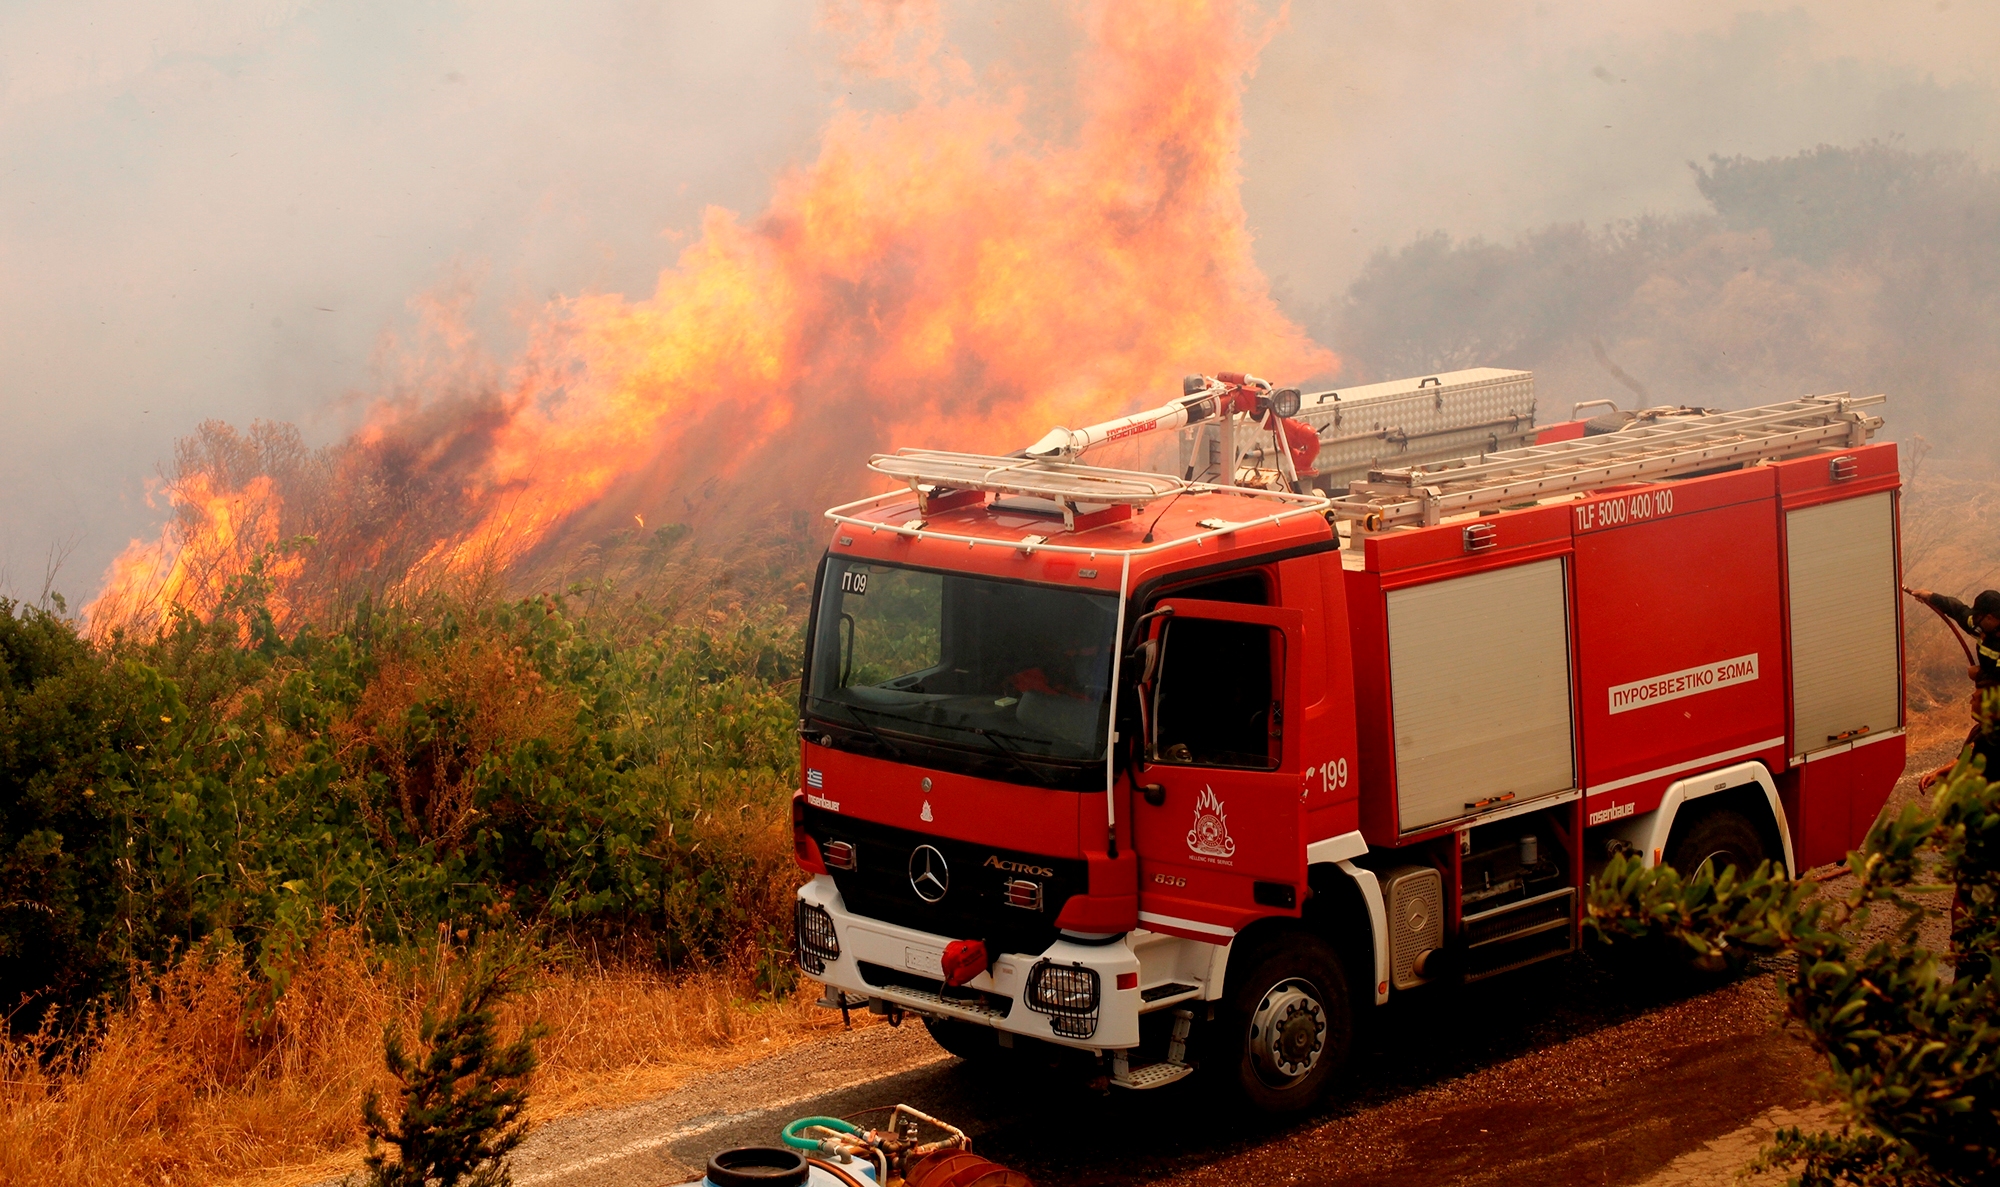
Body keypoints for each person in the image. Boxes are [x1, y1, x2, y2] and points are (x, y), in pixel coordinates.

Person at [1908, 587, 2000, 788]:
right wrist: (1930, 597)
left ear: (1992, 618)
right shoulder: (1983, 625)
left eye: (1980, 618)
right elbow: (1959, 611)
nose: (1975, 623)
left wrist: (1979, 674)